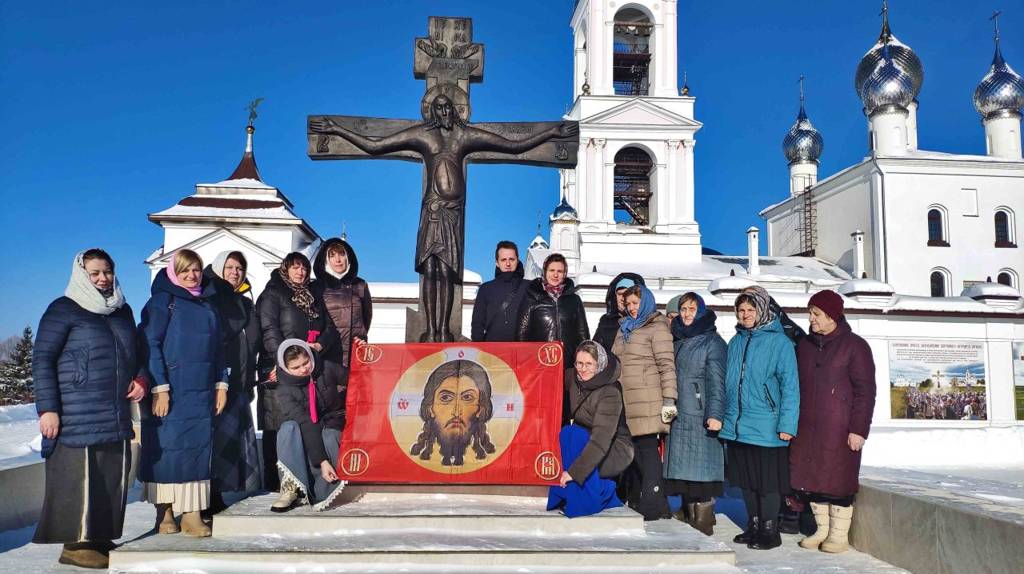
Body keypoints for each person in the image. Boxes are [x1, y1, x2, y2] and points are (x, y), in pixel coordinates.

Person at [32, 249, 146, 569]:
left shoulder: (122, 311)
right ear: (82, 275)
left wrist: (140, 379)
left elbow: (137, 355)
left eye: (107, 272)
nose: (102, 278)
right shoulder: (64, 309)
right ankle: (76, 544)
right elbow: (42, 360)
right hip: (75, 411)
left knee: (109, 477)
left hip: (114, 410)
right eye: (94, 273)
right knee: (79, 477)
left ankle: (97, 536)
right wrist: (48, 409)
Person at [139, 249, 227, 538]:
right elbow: (149, 344)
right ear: (174, 272)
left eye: (196, 270)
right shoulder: (163, 302)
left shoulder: (208, 306)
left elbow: (218, 350)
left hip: (201, 391)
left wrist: (221, 384)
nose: (191, 275)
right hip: (170, 389)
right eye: (185, 270)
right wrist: (159, 387)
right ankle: (164, 511)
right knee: (166, 450)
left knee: (198, 450)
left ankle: (192, 513)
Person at [790, 290, 875, 554]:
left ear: (832, 315)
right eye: (810, 313)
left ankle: (838, 536)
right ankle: (822, 531)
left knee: (838, 481)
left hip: (839, 429)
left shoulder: (855, 345)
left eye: (816, 314)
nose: (811, 319)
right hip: (808, 427)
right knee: (813, 479)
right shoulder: (805, 345)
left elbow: (865, 392)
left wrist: (858, 430)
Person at [719, 289, 799, 550]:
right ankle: (753, 526)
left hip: (767, 423)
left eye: (750, 310)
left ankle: (769, 530)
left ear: (763, 310)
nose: (745, 315)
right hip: (739, 424)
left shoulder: (780, 343)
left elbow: (790, 387)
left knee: (767, 483)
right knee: (747, 480)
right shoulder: (736, 342)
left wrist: (787, 425)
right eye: (741, 311)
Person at [256, 252, 338, 492]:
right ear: (286, 269)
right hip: (283, 366)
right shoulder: (273, 293)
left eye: (303, 267)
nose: (300, 272)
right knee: (283, 423)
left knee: (310, 420)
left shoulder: (312, 296)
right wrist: (282, 359)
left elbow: (329, 327)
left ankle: (311, 478)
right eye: (295, 268)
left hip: (309, 366)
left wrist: (320, 344)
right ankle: (280, 481)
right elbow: (269, 329)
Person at [611, 284, 678, 521]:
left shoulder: (657, 327)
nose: (631, 308)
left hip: (649, 398)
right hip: (628, 400)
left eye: (635, 303)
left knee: (648, 451)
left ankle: (651, 502)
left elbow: (666, 365)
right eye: (628, 304)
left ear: (646, 302)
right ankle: (657, 503)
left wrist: (669, 400)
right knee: (636, 452)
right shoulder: (625, 329)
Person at [663, 292, 726, 536]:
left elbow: (717, 382)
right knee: (684, 466)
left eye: (691, 309)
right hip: (681, 412)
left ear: (700, 311)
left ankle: (704, 515)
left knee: (702, 467)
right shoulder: (678, 337)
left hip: (700, 412)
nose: (687, 314)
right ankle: (688, 510)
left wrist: (715, 413)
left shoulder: (712, 341)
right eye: (684, 309)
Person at [203, 251, 261, 515]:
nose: (235, 272)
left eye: (239, 268)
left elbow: (253, 343)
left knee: (230, 443)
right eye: (229, 267)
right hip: (216, 382)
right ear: (218, 269)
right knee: (215, 442)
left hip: (240, 381)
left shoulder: (246, 304)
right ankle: (207, 496)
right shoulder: (211, 298)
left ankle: (220, 493)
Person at [548, 340, 634, 518]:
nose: (583, 369)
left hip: (612, 448)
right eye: (579, 363)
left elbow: (601, 439)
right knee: (567, 433)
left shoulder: (610, 392)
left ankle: (597, 494)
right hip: (584, 440)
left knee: (574, 434)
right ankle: (572, 493)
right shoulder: (573, 377)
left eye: (589, 364)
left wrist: (574, 472)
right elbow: (546, 375)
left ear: (599, 364)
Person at [271, 340, 346, 512]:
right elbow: (305, 422)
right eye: (296, 367)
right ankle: (291, 486)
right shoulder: (284, 389)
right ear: (285, 368)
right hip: (305, 427)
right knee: (288, 429)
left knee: (330, 436)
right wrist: (322, 461)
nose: (304, 369)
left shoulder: (326, 368)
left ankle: (323, 490)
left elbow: (356, 379)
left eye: (306, 362)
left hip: (331, 420)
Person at [311, 237, 372, 380]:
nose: (338, 260)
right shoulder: (317, 286)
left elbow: (366, 318)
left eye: (341, 254)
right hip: (327, 353)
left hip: (355, 353)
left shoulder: (360, 285)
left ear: (348, 257)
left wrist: (360, 338)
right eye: (332, 255)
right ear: (326, 260)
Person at [516, 253, 590, 364]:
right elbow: (521, 334)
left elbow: (582, 333)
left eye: (559, 271)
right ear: (545, 272)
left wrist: (583, 358)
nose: (555, 275)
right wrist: (526, 360)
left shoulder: (574, 300)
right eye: (551, 270)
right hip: (540, 362)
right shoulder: (531, 298)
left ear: (564, 274)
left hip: (568, 363)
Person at [471, 240, 527, 342]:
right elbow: (477, 324)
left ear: (517, 260)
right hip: (492, 351)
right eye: (503, 260)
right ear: (497, 262)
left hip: (522, 350)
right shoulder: (486, 289)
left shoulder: (529, 287)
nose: (508, 263)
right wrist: (479, 348)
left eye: (512, 259)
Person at [593, 273, 646, 353]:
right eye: (620, 294)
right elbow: (595, 351)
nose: (622, 298)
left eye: (627, 293)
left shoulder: (648, 321)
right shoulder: (606, 321)